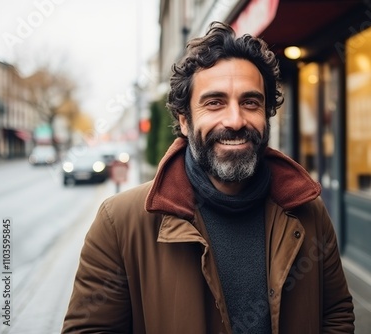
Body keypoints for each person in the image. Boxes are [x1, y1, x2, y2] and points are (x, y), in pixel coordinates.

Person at [62, 21, 355, 334]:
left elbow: (336, 314)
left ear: (266, 115)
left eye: (250, 102)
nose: (235, 120)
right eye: (215, 102)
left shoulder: (308, 211)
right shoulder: (120, 223)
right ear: (185, 121)